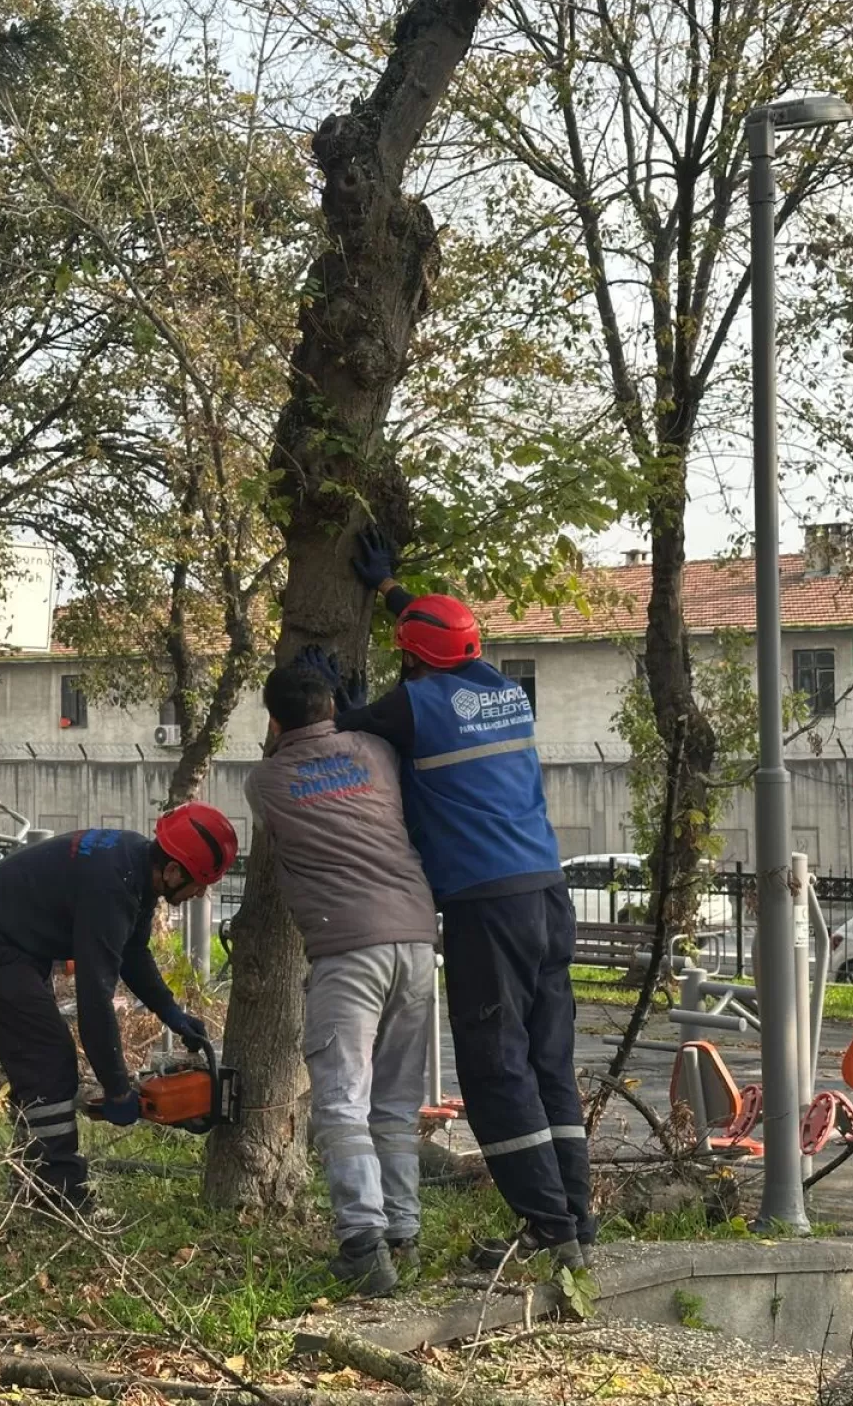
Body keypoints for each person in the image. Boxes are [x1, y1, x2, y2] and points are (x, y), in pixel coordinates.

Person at [333, 528, 591, 1270]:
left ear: (412, 661)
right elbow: (443, 638)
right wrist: (391, 592)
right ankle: (575, 1220)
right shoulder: (505, 691)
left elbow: (345, 726)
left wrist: (341, 700)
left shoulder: (413, 707)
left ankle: (546, 1229)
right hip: (547, 893)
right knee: (550, 1064)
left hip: (486, 907)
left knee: (494, 1067)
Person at [245, 661, 439, 1297]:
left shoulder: (267, 781)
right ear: (332, 703)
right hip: (415, 938)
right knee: (396, 1100)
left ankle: (362, 1243)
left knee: (341, 1101)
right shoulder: (377, 751)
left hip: (346, 947)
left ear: (273, 720)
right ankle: (404, 1234)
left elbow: (285, 818)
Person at [0, 804, 237, 1210]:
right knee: (48, 1058)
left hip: (7, 941)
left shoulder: (134, 864)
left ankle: (32, 1183)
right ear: (174, 870)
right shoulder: (112, 887)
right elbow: (95, 999)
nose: (200, 893)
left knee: (38, 1065)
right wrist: (116, 1089)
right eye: (199, 882)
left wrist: (171, 1012)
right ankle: (56, 1193)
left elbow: (132, 952)